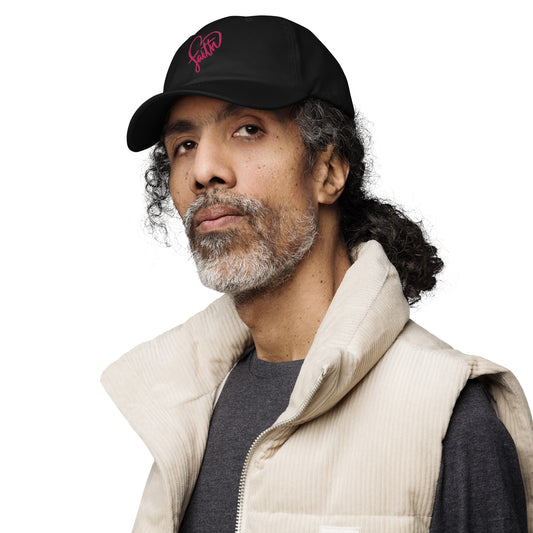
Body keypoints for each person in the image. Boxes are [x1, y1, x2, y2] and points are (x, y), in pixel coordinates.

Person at [102, 15, 533, 533]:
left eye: (247, 130)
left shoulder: (447, 416)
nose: (202, 170)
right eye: (184, 145)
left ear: (329, 170)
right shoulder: (183, 408)